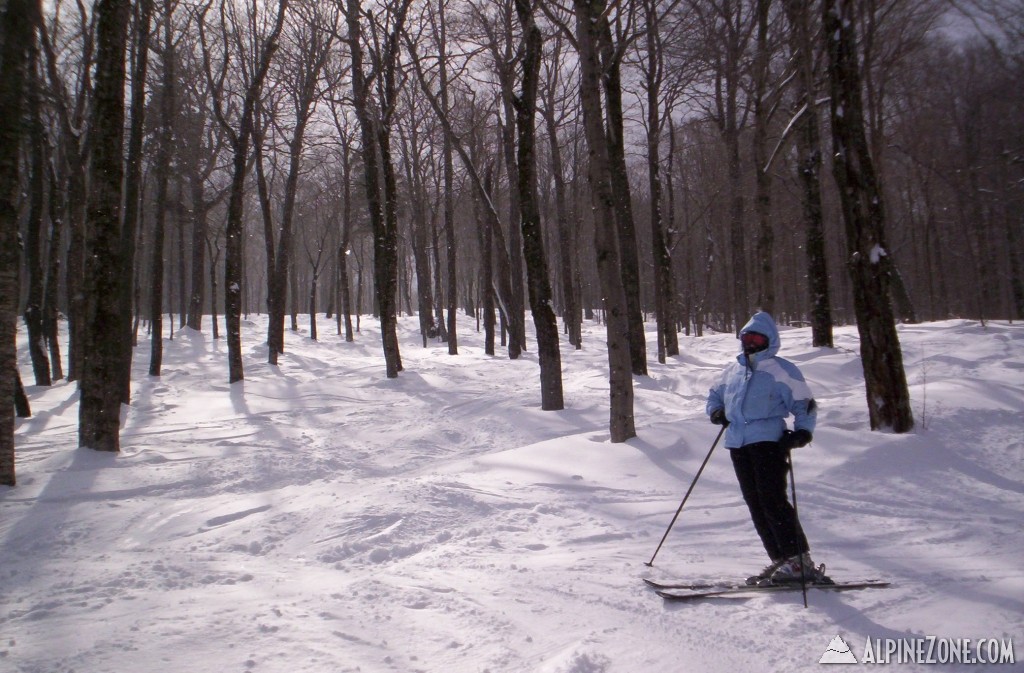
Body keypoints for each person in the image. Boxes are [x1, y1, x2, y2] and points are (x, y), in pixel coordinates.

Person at [706, 311, 827, 585]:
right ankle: (781, 558)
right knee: (755, 502)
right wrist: (716, 412)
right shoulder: (733, 370)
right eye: (747, 337)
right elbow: (714, 395)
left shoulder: (781, 369)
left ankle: (799, 560)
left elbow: (804, 403)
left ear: (769, 340)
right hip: (738, 441)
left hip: (768, 441)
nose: (750, 342)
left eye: (757, 338)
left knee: (772, 500)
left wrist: (803, 432)